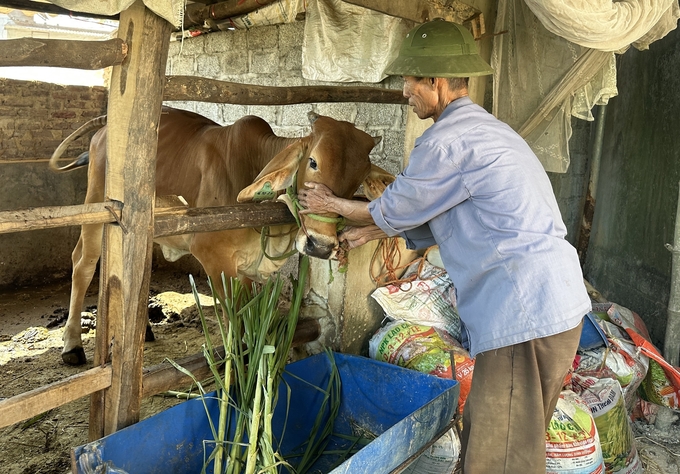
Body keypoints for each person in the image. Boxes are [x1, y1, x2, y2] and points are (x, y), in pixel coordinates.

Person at [298, 19, 592, 474]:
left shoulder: (446, 142)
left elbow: (398, 207)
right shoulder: (488, 131)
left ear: (435, 82)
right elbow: (440, 217)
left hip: (521, 312)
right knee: (514, 440)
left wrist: (328, 201)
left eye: (409, 81)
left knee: (498, 455)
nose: (404, 92)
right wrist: (365, 232)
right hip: (552, 306)